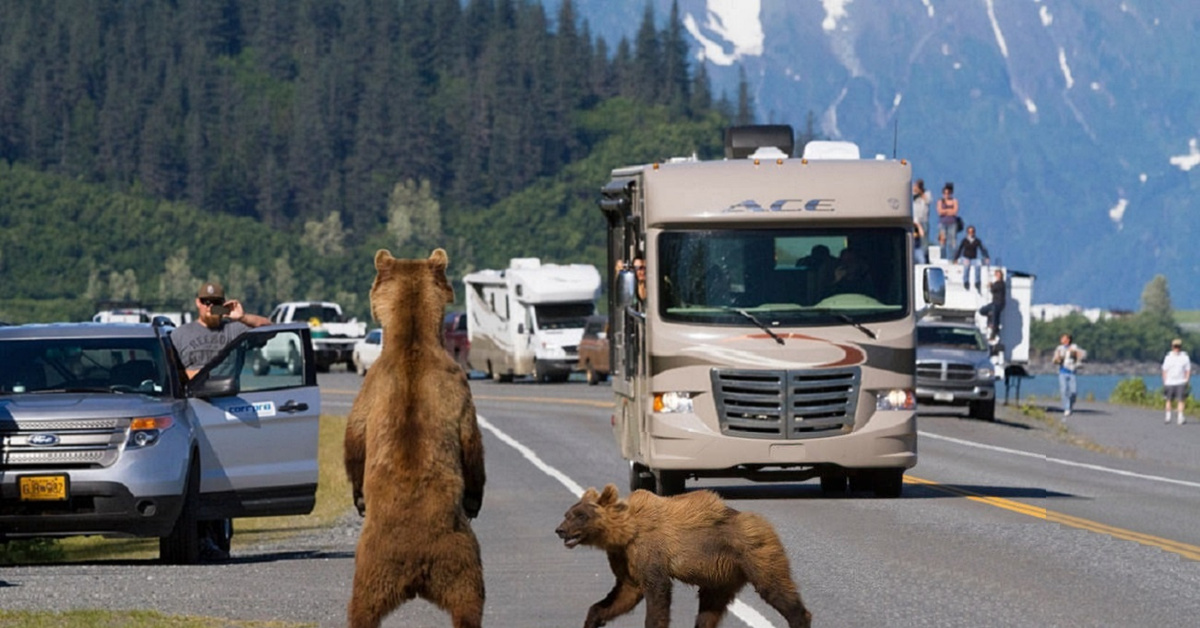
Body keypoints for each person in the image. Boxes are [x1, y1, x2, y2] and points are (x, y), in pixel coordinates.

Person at [170, 280, 270, 560]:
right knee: (199, 479)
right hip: (194, 411)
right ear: (197, 303)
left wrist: (243, 317)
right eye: (205, 302)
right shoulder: (179, 335)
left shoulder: (235, 330)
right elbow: (173, 375)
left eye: (216, 303)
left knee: (224, 479)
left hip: (228, 411)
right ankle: (203, 540)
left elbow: (270, 328)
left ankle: (219, 539)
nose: (210, 307)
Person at [1161, 338, 1192, 425]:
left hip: (1181, 381)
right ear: (1172, 347)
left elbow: (1188, 370)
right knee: (1168, 400)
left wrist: (1187, 380)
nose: (1176, 348)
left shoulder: (1185, 357)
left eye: (1178, 347)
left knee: (1181, 400)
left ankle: (1180, 417)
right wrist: (1164, 381)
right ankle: (1168, 416)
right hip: (1169, 381)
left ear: (1180, 347)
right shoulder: (1168, 357)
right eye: (1175, 347)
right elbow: (1164, 370)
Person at [1052, 334, 1083, 417]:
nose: (1061, 339)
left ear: (1068, 340)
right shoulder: (1059, 348)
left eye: (1063, 338)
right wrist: (1058, 359)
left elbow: (1080, 354)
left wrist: (1075, 354)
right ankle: (1067, 408)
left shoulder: (1074, 347)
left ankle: (1070, 404)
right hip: (1062, 372)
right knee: (1064, 390)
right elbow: (1055, 360)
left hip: (1072, 372)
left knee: (1073, 391)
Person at [953, 225, 991, 292]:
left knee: (978, 264)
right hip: (966, 257)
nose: (971, 233)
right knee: (966, 266)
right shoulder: (964, 241)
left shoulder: (977, 241)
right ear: (967, 232)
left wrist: (986, 256)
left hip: (974, 258)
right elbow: (960, 249)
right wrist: (956, 258)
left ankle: (977, 282)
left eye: (972, 231)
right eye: (969, 232)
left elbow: (982, 249)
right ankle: (966, 281)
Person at [978, 269, 1006, 340]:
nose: (998, 276)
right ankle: (990, 317)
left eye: (999, 274)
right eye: (997, 274)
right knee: (982, 310)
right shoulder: (996, 283)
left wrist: (990, 285)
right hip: (994, 303)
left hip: (999, 303)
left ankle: (994, 330)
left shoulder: (1001, 283)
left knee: (994, 312)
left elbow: (994, 289)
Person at [936, 182, 960, 258]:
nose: (946, 195)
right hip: (942, 223)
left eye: (948, 193)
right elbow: (940, 212)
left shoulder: (954, 201)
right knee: (942, 242)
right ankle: (942, 257)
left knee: (952, 242)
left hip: (952, 223)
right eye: (945, 193)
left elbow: (955, 212)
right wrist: (949, 211)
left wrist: (945, 211)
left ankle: (953, 258)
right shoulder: (940, 201)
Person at [912, 179, 931, 263]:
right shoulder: (913, 195)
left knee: (924, 240)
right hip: (914, 220)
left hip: (924, 219)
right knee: (913, 238)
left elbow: (928, 200)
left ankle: (925, 256)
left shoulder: (927, 193)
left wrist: (921, 192)